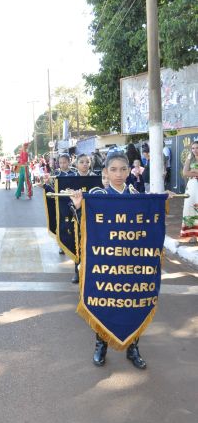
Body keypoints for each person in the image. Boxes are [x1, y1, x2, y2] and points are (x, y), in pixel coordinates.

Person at [70, 152, 147, 370]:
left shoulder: (135, 194)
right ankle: (101, 345)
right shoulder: (97, 195)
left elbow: (149, 221)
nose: (119, 174)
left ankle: (133, 347)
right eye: (113, 170)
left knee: (133, 303)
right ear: (105, 172)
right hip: (104, 261)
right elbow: (83, 225)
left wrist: (163, 201)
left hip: (132, 261)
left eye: (123, 169)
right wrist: (78, 206)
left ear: (129, 171)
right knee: (104, 302)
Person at [181, 140, 198, 240]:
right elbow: (185, 173)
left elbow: (188, 173)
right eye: (193, 148)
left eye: (197, 148)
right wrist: (196, 172)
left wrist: (193, 171)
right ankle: (192, 234)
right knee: (189, 207)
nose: (195, 150)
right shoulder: (190, 159)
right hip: (191, 187)